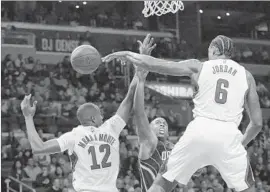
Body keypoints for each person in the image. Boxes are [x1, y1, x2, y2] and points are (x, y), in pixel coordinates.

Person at [103, 35, 262, 192]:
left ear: (213, 50)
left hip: (199, 130)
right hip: (229, 134)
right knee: (247, 188)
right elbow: (257, 124)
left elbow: (157, 64)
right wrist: (239, 144)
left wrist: (128, 54)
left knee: (162, 182)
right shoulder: (247, 76)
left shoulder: (198, 66)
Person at [20, 69, 139, 192]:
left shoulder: (74, 135)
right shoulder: (111, 128)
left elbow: (38, 148)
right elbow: (129, 99)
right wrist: (139, 71)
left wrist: (28, 117)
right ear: (93, 118)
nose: (102, 117)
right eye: (100, 115)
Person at [133, 35, 175, 192]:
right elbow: (139, 112)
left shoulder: (173, 148)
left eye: (164, 122)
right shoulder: (149, 141)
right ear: (149, 128)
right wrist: (141, 80)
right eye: (157, 122)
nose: (162, 123)